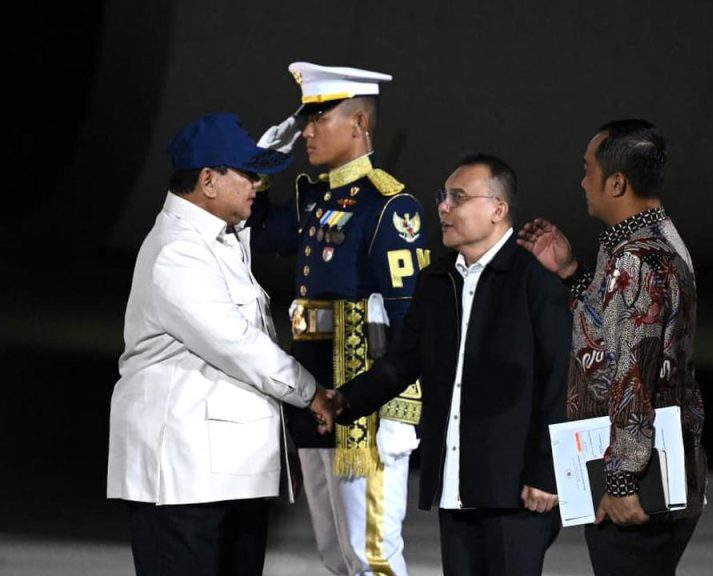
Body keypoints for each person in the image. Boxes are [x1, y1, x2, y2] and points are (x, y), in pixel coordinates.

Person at [107, 112, 335, 576]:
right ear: (208, 180)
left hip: (226, 472)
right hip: (182, 481)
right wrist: (310, 392)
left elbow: (261, 219)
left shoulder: (218, 236)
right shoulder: (179, 250)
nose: (257, 183)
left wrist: (285, 140)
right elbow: (237, 344)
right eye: (247, 174)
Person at [334, 154, 570, 576]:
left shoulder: (536, 284)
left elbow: (560, 383)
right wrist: (342, 402)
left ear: (498, 209)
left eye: (457, 198)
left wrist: (547, 473)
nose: (443, 207)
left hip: (516, 493)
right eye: (442, 197)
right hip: (454, 488)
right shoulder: (436, 281)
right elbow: (402, 363)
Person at [249, 62, 428, 575]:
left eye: (318, 118)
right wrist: (262, 166)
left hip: (362, 410)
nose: (306, 130)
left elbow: (407, 322)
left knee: (372, 556)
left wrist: (384, 407)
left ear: (358, 124)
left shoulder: (390, 207)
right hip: (313, 392)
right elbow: (258, 233)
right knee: (337, 555)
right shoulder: (318, 199)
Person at [518, 119, 707, 576]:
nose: (583, 182)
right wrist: (573, 273)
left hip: (637, 477)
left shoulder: (635, 258)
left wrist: (622, 480)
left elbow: (633, 371)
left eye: (588, 170)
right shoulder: (656, 239)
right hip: (666, 460)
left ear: (617, 182)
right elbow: (619, 330)